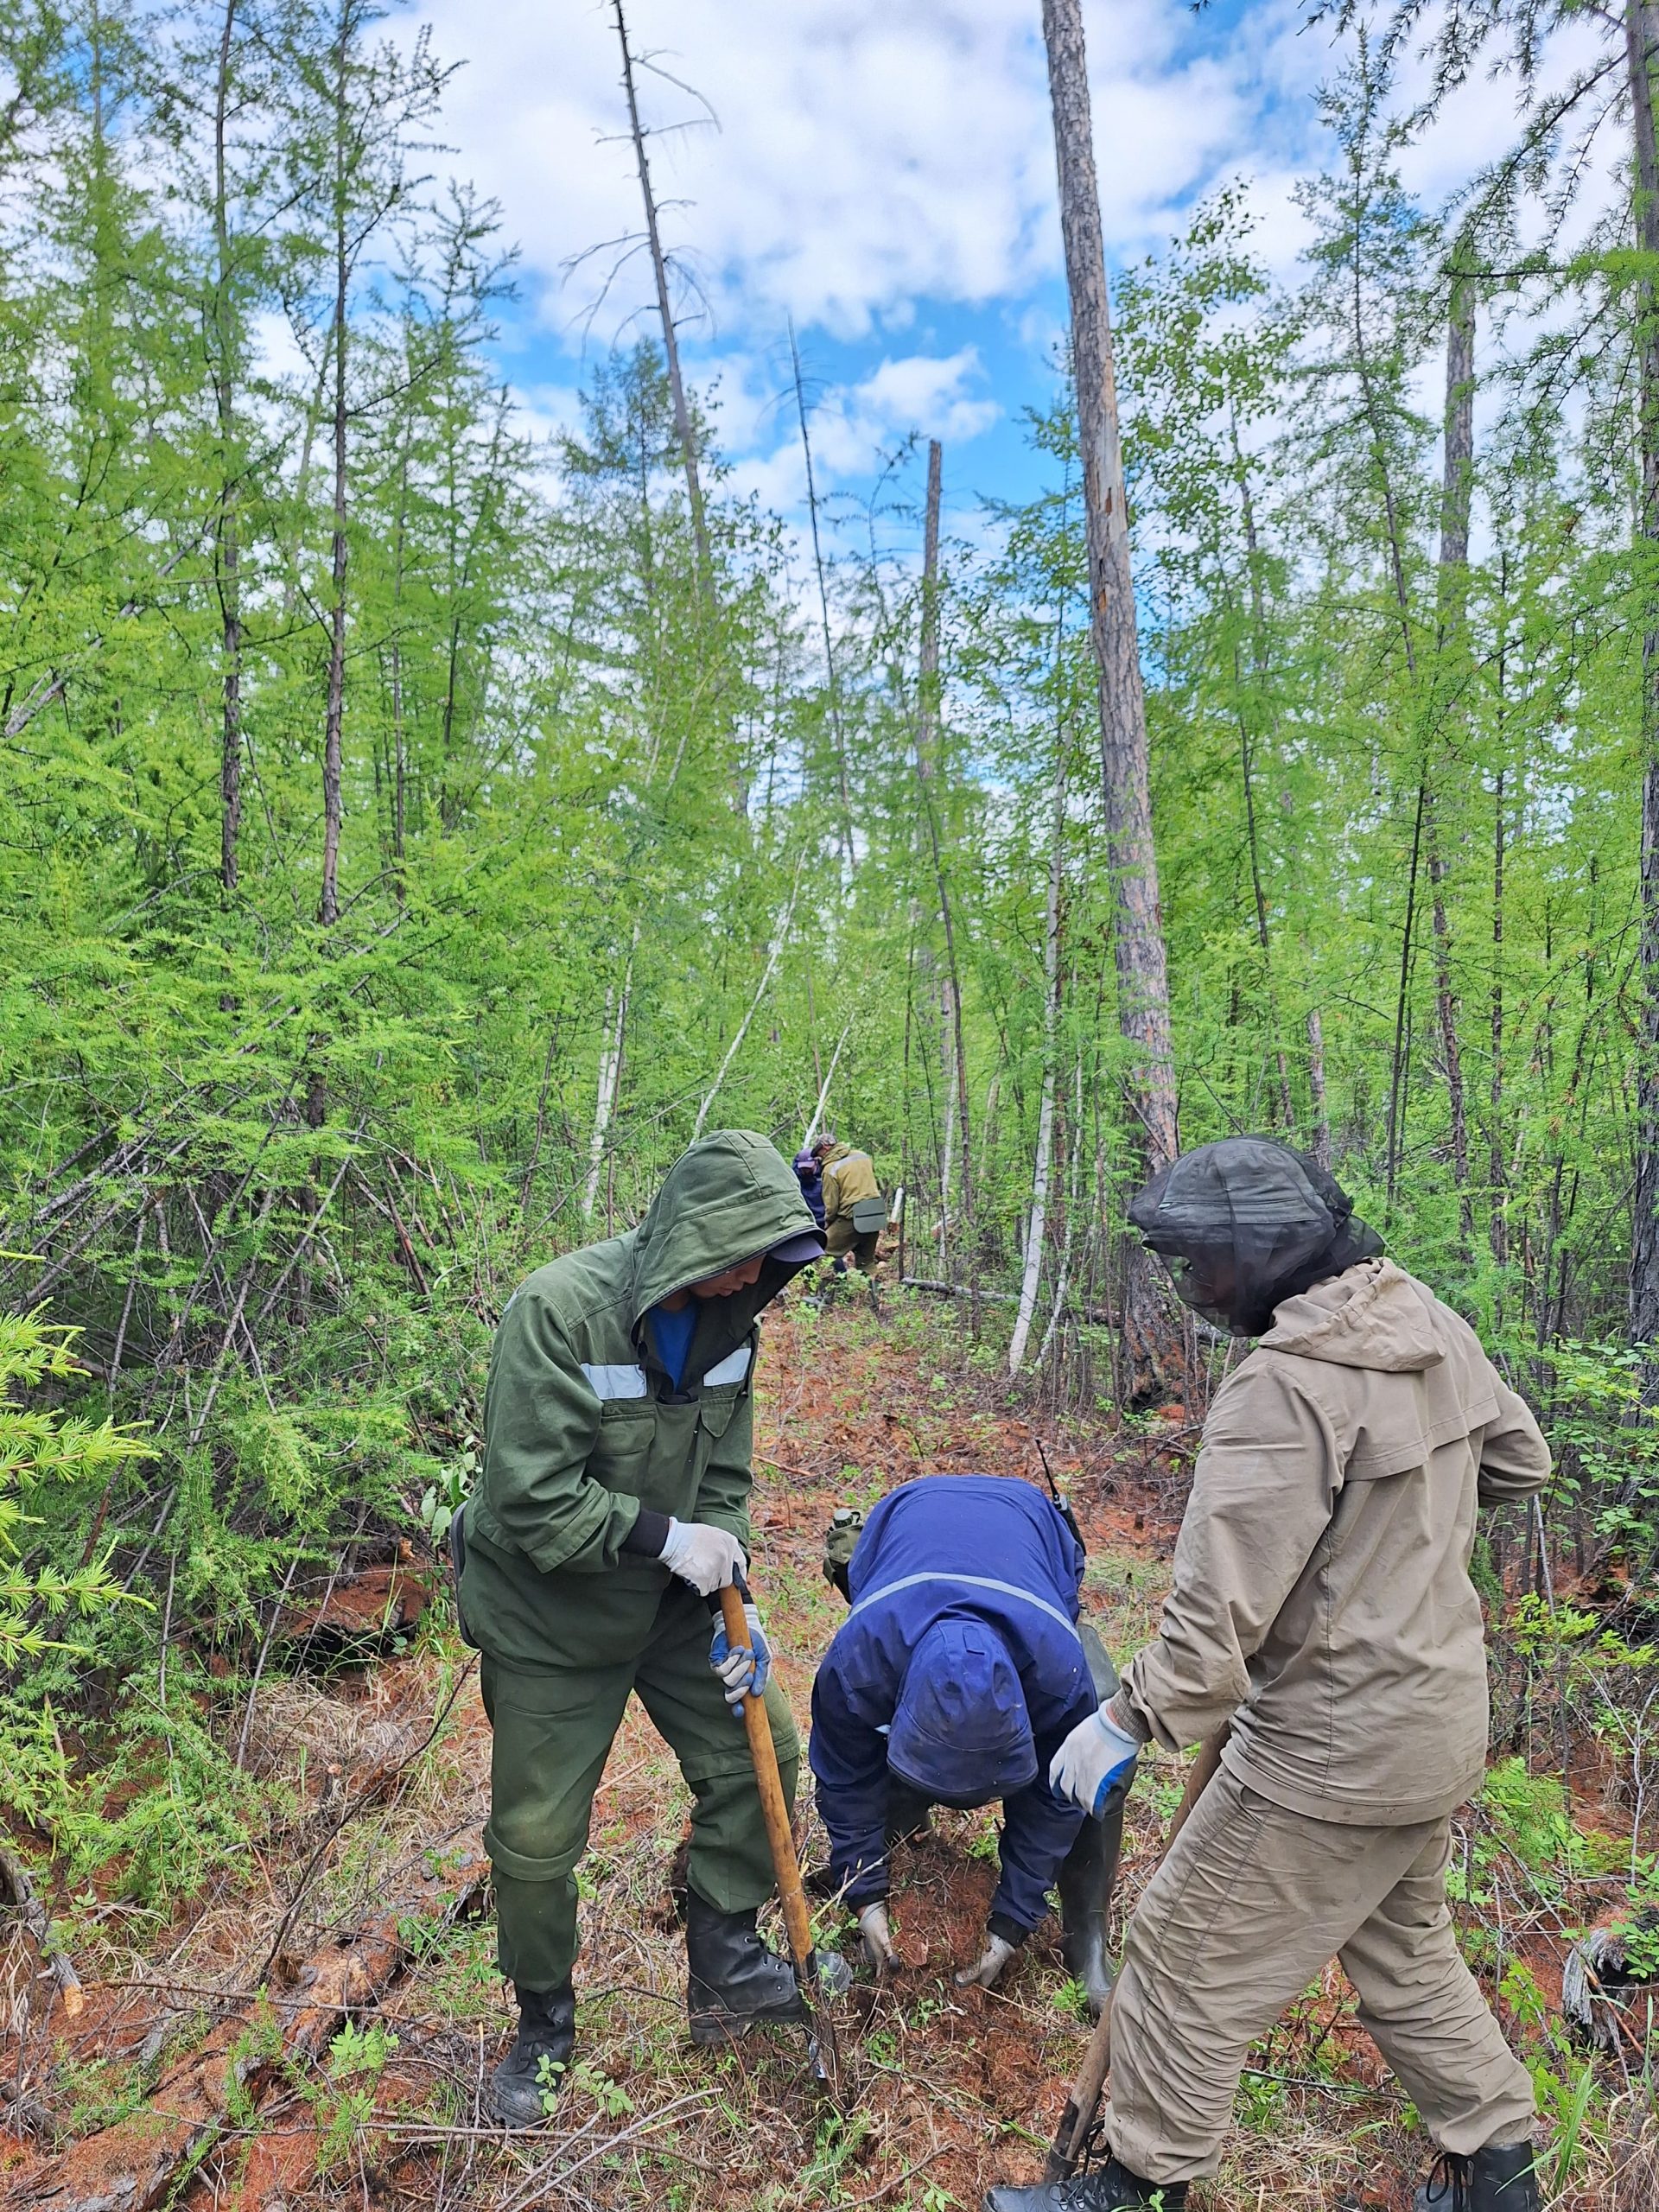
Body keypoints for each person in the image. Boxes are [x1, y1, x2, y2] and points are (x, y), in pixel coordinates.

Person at [986, 1137, 1550, 2212]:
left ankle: (1137, 2186)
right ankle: (1500, 2175)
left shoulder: (1279, 1392)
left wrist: (1125, 1717)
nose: (1196, 1286)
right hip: (1435, 1727)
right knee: (1404, 1952)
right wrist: (1395, 1536)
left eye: (1209, 1263)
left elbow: (1208, 1640)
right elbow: (1521, 1461)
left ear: (1273, 1254)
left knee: (1178, 1963)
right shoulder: (1423, 1320)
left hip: (1328, 1751)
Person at [454, 1130, 826, 2126]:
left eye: (767, 1258)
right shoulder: (559, 1311)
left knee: (764, 1753)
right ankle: (543, 2024)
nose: (753, 1275)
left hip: (667, 1610)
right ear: (689, 1239)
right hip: (546, 1615)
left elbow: (729, 1480)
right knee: (535, 1840)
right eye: (736, 1253)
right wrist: (668, 1538)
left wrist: (728, 1577)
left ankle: (726, 1965)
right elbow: (529, 1501)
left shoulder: (734, 1322)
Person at [811, 1474, 1133, 2015]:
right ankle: (900, 1830)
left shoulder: (1057, 1673)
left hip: (1030, 1535)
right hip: (906, 1517)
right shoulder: (861, 1662)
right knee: (871, 1759)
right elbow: (846, 1775)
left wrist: (1011, 1923)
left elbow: (1058, 1800)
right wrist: (864, 1893)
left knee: (1102, 1745)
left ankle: (1087, 1932)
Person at [813, 1134, 884, 1273]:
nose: (819, 1157)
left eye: (818, 1152)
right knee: (866, 1262)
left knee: (821, 1253)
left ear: (825, 1147)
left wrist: (828, 1224)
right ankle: (873, 1293)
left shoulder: (830, 1169)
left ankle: (826, 1293)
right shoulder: (862, 1156)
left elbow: (831, 1205)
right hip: (876, 1213)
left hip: (852, 1217)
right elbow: (878, 1183)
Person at [793, 1146, 827, 1230]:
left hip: (826, 1220)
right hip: (807, 1222)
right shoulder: (795, 1178)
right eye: (804, 1168)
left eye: (809, 1167)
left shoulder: (826, 1173)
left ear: (816, 1162)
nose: (806, 1171)